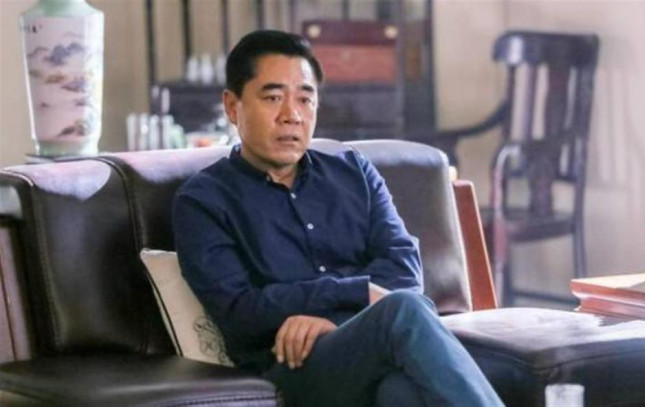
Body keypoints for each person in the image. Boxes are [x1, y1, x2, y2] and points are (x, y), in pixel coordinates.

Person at [173, 30, 503, 407]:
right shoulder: (203, 200)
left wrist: (336, 323)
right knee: (403, 311)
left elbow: (404, 272)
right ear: (232, 107)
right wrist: (355, 291)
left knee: (400, 394)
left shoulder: (354, 172)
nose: (292, 115)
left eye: (305, 99)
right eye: (273, 98)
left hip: (367, 353)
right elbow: (240, 312)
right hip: (288, 368)